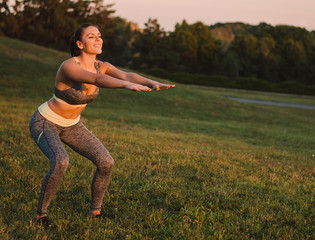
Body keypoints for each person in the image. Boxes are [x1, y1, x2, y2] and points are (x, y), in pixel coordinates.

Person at [29, 23, 175, 227]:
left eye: (99, 35)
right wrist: (126, 86)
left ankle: (95, 212)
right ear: (79, 44)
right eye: (91, 37)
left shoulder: (102, 65)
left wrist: (152, 82)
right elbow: (97, 79)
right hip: (45, 121)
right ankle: (40, 216)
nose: (98, 39)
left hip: (72, 125)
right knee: (61, 161)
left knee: (106, 162)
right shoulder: (69, 66)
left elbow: (127, 75)